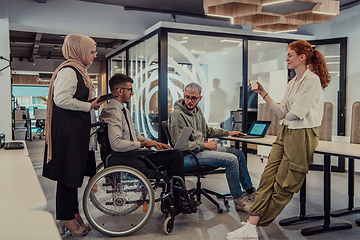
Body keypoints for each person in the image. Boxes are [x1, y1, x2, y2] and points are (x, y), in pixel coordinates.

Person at [226, 40, 330, 240]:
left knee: (285, 183)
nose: (286, 58)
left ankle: (255, 223)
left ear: (302, 57)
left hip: (302, 134)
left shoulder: (312, 80)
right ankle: (251, 225)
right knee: (267, 179)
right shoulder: (292, 83)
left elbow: (296, 114)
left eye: (290, 55)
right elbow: (283, 113)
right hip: (286, 132)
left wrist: (287, 113)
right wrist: (263, 93)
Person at [99, 73, 200, 210]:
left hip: (133, 153)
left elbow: (135, 135)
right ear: (119, 91)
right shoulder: (113, 112)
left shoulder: (123, 110)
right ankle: (178, 200)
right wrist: (144, 144)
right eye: (130, 89)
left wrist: (153, 142)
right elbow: (117, 144)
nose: (132, 92)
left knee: (173, 153)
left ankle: (178, 198)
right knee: (175, 157)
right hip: (126, 157)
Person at [42, 34, 106, 237]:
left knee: (73, 176)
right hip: (68, 135)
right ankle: (66, 218)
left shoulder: (78, 70)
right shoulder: (69, 71)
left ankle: (73, 212)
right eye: (91, 51)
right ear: (79, 50)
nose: (94, 55)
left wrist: (90, 104)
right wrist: (89, 105)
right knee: (67, 177)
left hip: (74, 133)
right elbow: (61, 99)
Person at [168, 82, 256, 212]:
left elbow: (207, 131)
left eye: (193, 98)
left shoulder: (197, 111)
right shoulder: (178, 114)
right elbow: (178, 146)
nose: (190, 101)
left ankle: (249, 191)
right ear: (184, 95)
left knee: (239, 154)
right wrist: (204, 145)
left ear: (200, 98)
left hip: (200, 151)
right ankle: (239, 200)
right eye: (187, 97)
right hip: (188, 156)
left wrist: (228, 132)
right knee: (231, 160)